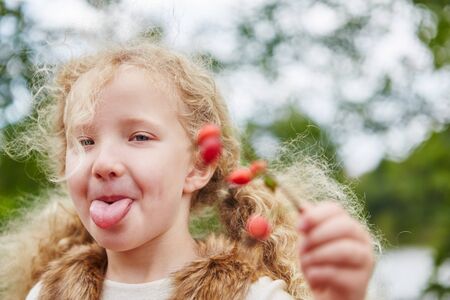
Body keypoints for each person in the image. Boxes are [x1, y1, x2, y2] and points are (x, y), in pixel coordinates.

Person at [0, 41, 376, 300]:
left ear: (198, 165)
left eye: (139, 137)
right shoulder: (48, 293)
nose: (102, 164)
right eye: (84, 142)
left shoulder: (252, 296)